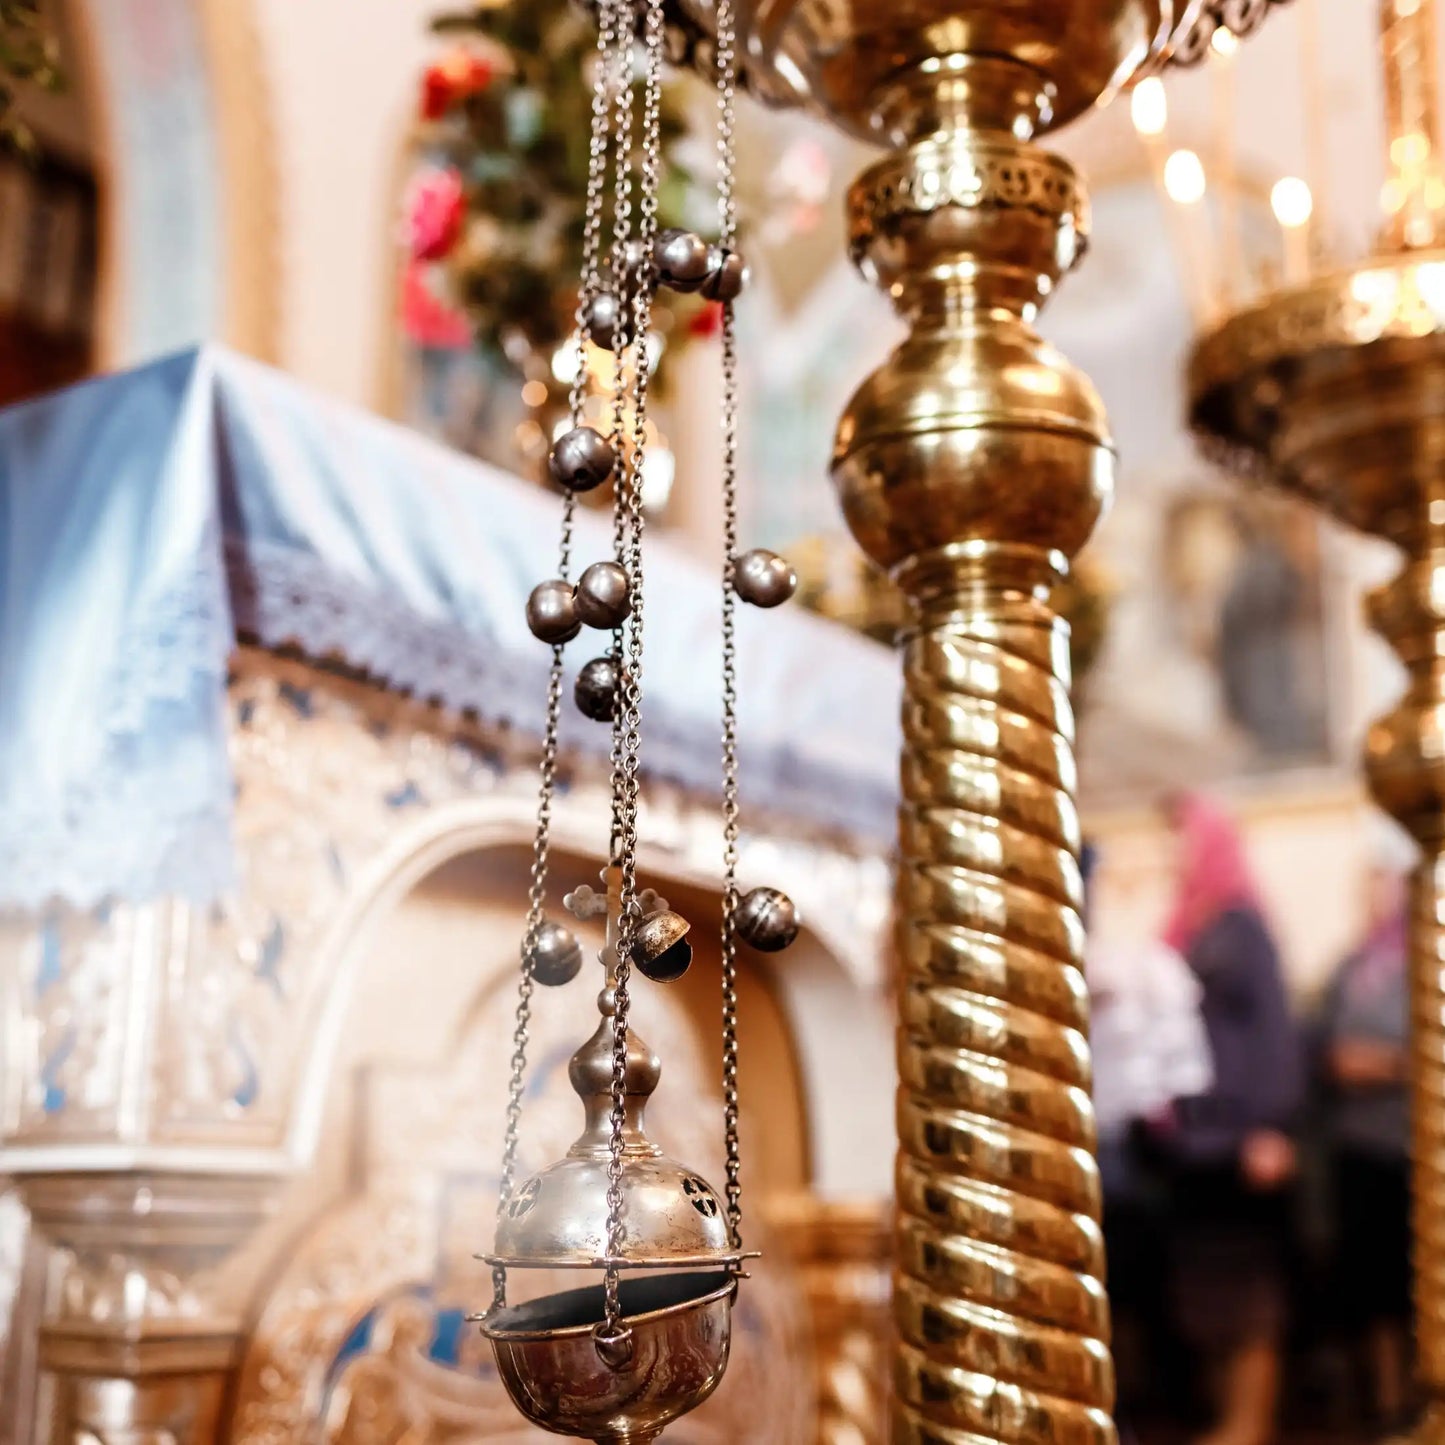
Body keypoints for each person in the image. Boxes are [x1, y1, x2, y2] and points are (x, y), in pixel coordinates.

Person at [1154, 793, 1303, 1445]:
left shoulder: (1240, 925)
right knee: (1207, 1284)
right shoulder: (1189, 926)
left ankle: (1249, 1424)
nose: (1172, 852)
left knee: (1248, 1289)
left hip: (1242, 1134)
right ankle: (1225, 1419)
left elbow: (1273, 1030)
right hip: (1198, 1141)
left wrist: (1271, 1124)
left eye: (1182, 839)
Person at [1082, 840, 1213, 1424]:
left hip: (1137, 1149)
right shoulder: (1101, 960)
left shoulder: (1142, 962)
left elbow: (1183, 1063)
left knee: (1143, 1290)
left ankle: (1153, 1406)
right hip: (1104, 1140)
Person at [1314, 861, 1412, 1428]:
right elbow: (1328, 1052)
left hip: (1410, 1148)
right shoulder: (1351, 969)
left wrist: (1382, 1063)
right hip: (1357, 1149)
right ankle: (1388, 1397)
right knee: (1373, 1283)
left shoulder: (1418, 961)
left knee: (1413, 1277)